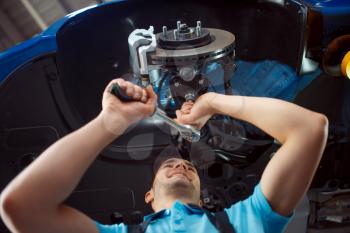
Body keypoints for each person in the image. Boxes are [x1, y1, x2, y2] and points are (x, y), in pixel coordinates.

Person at [0, 78, 328, 233]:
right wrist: (108, 124)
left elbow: (310, 129)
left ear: (203, 195)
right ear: (148, 196)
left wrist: (213, 102)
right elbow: (21, 207)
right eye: (169, 165)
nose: (181, 164)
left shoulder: (248, 220)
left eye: (188, 166)